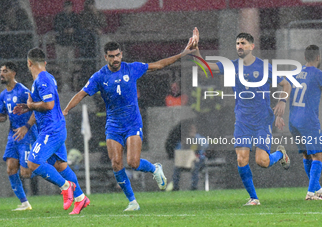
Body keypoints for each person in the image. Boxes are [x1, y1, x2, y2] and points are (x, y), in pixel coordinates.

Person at [62, 40, 195, 211]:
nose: (115, 59)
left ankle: (154, 168)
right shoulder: (99, 76)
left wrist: (183, 53)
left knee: (133, 162)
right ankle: (132, 201)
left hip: (132, 123)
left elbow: (160, 64)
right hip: (113, 126)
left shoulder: (132, 68)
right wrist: (65, 110)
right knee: (116, 163)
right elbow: (81, 94)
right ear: (105, 57)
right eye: (111, 56)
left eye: (117, 55)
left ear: (121, 54)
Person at [190, 28, 291, 206]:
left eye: (243, 43)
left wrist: (282, 101)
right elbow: (204, 67)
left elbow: (286, 84)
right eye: (237, 43)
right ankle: (254, 198)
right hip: (243, 120)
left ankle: (280, 154)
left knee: (262, 161)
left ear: (252, 46)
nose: (239, 46)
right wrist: (195, 49)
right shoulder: (232, 66)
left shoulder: (263, 67)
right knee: (241, 159)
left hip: (261, 120)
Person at [13, 48, 90, 215]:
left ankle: (66, 186)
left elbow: (49, 105)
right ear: (45, 63)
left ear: (29, 63)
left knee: (33, 162)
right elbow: (42, 107)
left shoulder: (42, 80)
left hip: (51, 130)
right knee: (60, 166)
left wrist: (31, 105)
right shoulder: (46, 79)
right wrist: (28, 110)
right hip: (53, 128)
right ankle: (80, 198)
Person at [276, 45, 322, 200]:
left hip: (294, 121)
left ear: (305, 57)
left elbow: (284, 89)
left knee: (307, 155)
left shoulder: (295, 72)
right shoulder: (320, 74)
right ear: (318, 57)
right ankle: (311, 193)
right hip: (309, 121)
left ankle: (317, 189)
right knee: (318, 156)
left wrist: (279, 114)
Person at [0, 62, 37, 211]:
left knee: (26, 173)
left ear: (13, 73)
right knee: (11, 169)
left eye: (5, 71)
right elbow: (3, 116)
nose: (1, 74)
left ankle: (47, 165)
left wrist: (26, 127)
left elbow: (36, 110)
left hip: (27, 135)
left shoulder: (23, 91)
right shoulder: (3, 94)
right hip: (13, 136)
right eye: (0, 71)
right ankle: (25, 203)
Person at [165, 119, 208, 191]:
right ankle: (175, 186)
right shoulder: (182, 140)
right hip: (186, 160)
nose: (192, 130)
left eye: (193, 129)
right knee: (177, 167)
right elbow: (178, 151)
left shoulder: (199, 138)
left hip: (198, 160)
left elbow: (205, 146)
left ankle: (194, 186)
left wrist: (195, 138)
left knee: (196, 165)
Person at [78, 0, 107, 87]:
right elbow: (84, 25)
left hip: (97, 42)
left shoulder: (99, 14)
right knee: (87, 63)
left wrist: (96, 15)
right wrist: (94, 29)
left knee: (98, 61)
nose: (91, 7)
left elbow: (103, 23)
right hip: (87, 43)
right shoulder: (84, 15)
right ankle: (86, 82)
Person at [53, 0, 79, 92]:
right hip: (61, 44)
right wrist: (64, 30)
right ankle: (64, 84)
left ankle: (68, 83)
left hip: (70, 44)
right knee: (61, 64)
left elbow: (78, 28)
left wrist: (72, 31)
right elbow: (56, 27)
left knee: (70, 65)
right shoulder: (59, 17)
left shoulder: (74, 17)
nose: (67, 9)